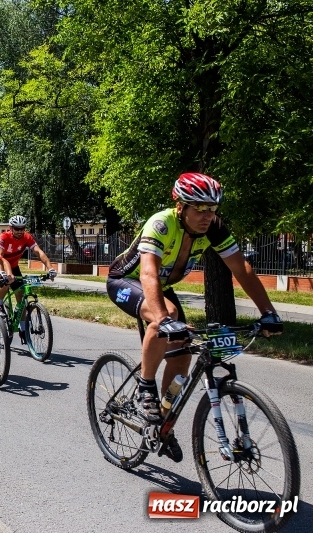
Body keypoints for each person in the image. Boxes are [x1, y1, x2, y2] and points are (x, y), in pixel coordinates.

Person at [106, 172, 283, 463]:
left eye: (212, 209)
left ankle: (162, 425)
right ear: (181, 207)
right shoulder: (162, 223)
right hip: (126, 281)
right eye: (199, 208)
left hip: (160, 287)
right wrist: (163, 319)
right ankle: (145, 387)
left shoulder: (214, 228)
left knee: (181, 358)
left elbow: (242, 270)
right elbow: (148, 272)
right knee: (169, 317)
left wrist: (268, 313)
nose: (207, 216)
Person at [0, 215, 57, 342]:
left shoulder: (27, 237)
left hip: (15, 267)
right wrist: (4, 273)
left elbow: (39, 252)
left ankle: (23, 329)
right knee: (6, 281)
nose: (19, 231)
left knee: (21, 298)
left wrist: (50, 268)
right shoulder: (4, 237)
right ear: (11, 228)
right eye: (17, 228)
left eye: (22, 228)